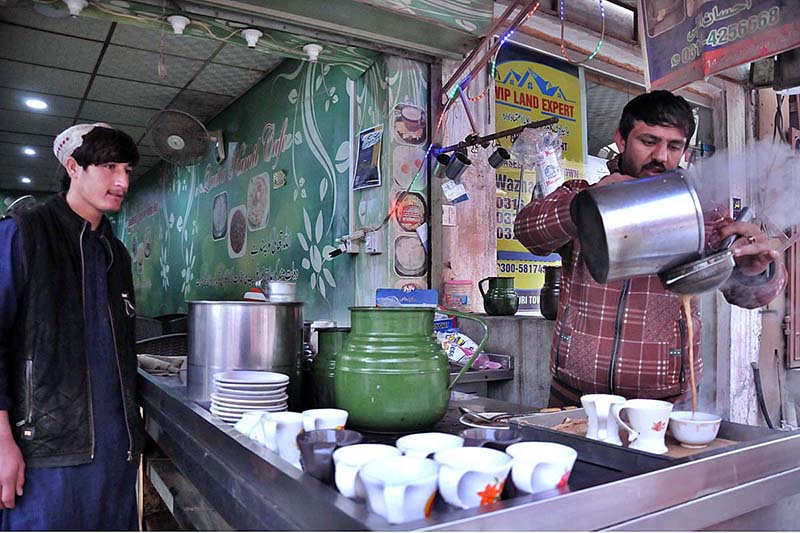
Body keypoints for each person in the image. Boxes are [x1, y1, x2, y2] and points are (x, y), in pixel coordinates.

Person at [514, 91, 786, 407]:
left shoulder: (704, 214)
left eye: (674, 146)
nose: (661, 156)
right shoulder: (583, 196)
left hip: (663, 401)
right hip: (575, 396)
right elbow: (527, 232)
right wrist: (583, 207)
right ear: (621, 139)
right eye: (648, 141)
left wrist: (756, 272)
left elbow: (747, 296)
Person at [0, 123, 144, 529]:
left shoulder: (116, 254)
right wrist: (1, 442)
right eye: (109, 166)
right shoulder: (23, 234)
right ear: (73, 167)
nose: (122, 181)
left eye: (128, 170)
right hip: (47, 454)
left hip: (116, 451)